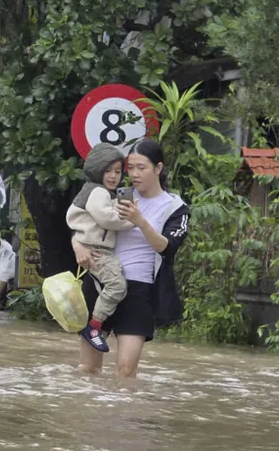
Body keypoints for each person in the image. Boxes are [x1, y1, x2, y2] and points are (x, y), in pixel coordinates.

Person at [71, 139, 189, 378]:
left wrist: (140, 221)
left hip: (139, 289)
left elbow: (167, 248)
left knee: (125, 370)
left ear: (158, 168)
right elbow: (84, 225)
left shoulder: (174, 207)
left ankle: (123, 416)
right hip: (100, 281)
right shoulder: (111, 194)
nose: (134, 174)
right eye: (131, 167)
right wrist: (76, 245)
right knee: (88, 369)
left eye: (141, 168)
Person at [65, 143, 134, 352]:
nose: (114, 176)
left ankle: (94, 325)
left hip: (95, 248)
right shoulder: (97, 192)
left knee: (113, 284)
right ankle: (94, 326)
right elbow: (107, 219)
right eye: (108, 170)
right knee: (117, 286)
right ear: (97, 169)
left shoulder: (100, 191)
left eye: (118, 171)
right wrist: (133, 220)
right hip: (96, 250)